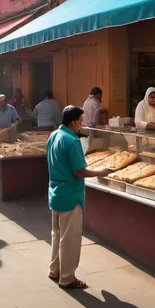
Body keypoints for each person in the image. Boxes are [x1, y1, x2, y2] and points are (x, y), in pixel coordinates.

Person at [47, 105, 110, 289]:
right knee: (70, 239)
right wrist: (100, 171)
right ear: (74, 121)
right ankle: (67, 277)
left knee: (57, 234)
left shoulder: (54, 135)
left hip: (55, 191)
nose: (82, 123)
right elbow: (79, 171)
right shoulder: (72, 141)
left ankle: (55, 270)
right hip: (70, 195)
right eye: (81, 120)